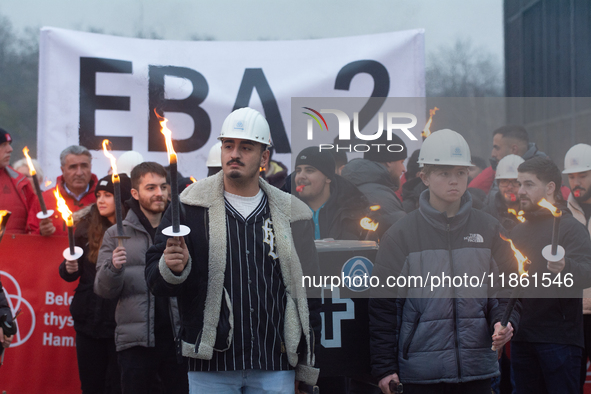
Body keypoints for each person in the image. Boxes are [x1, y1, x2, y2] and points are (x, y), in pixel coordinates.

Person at [145, 107, 321, 394]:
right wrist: (173, 268)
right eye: (228, 145)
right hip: (211, 366)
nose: (234, 153)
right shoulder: (189, 206)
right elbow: (153, 277)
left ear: (264, 157)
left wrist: (305, 364)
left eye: (246, 147)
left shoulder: (294, 215)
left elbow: (309, 294)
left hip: (275, 364)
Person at [368, 129, 520, 394]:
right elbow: (384, 307)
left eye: (461, 172)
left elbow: (507, 289)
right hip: (420, 375)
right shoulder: (401, 234)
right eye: (444, 172)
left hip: (479, 372)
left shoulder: (489, 229)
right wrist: (384, 367)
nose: (454, 181)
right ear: (424, 177)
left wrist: (504, 322)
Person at [94, 162, 187, 394]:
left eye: (164, 187)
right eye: (151, 188)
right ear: (135, 193)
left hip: (176, 340)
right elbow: (103, 290)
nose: (159, 194)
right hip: (136, 343)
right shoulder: (116, 234)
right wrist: (113, 268)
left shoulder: (181, 230)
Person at [509, 156, 591, 393]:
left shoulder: (570, 228)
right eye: (519, 183)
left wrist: (566, 267)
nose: (520, 190)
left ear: (550, 188)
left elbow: (587, 272)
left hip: (559, 340)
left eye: (529, 184)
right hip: (522, 338)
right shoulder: (517, 232)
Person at [59, 174, 132, 394]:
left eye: (108, 195)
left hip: (120, 323)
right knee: (92, 385)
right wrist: (68, 268)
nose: (100, 200)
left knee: (118, 386)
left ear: (123, 200)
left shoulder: (134, 230)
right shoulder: (85, 228)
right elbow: (71, 271)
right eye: (98, 195)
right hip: (89, 321)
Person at [561, 143, 591, 393]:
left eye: (583, 175)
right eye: (572, 176)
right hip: (573, 315)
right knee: (573, 381)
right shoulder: (560, 215)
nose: (576, 182)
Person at [293, 146, 368, 240]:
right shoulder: (283, 211)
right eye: (298, 171)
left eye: (309, 171)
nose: (301, 176)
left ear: (328, 178)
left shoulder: (353, 211)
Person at [341, 133, 407, 239]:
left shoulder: (355, 185)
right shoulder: (381, 197)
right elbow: (404, 237)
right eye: (402, 162)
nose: (404, 169)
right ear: (389, 161)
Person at [39, 145, 99, 236]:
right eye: (73, 167)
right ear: (62, 170)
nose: (79, 173)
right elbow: (29, 235)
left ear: (90, 167)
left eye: (84, 166)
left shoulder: (103, 198)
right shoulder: (44, 199)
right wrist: (41, 232)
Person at [469, 125, 546, 196]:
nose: (493, 154)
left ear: (514, 149)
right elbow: (472, 192)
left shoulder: (546, 173)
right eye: (504, 181)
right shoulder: (495, 169)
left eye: (497, 148)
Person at [0, 128, 40, 234]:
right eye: (3, 145)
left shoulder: (20, 181)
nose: (10, 149)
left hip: (17, 249)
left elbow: (36, 224)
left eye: (9, 144)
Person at [482, 154, 525, 230]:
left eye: (515, 181)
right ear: (498, 184)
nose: (510, 187)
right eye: (505, 181)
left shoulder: (533, 213)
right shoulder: (487, 215)